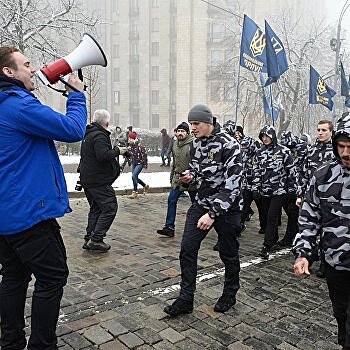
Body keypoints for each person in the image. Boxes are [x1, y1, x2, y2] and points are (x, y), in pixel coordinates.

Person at [0, 46, 86, 349]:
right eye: (26, 64)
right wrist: (76, 93)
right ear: (8, 72)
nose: (33, 69)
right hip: (29, 214)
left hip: (6, 215)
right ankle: (42, 345)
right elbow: (73, 129)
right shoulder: (17, 105)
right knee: (52, 277)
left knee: (14, 276)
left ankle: (10, 343)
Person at [163, 104, 243, 317]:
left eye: (196, 124)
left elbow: (232, 185)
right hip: (202, 204)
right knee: (187, 249)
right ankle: (186, 299)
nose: (193, 128)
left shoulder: (230, 145)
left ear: (209, 122)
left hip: (227, 209)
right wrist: (191, 176)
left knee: (228, 253)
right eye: (191, 124)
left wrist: (213, 214)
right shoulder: (196, 144)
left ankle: (229, 293)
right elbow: (200, 171)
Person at [292, 113, 350, 350]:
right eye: (342, 146)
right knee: (341, 314)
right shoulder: (323, 176)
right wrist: (304, 253)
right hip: (335, 264)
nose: (346, 153)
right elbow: (309, 218)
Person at [79, 109, 123, 252]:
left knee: (96, 208)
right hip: (98, 181)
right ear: (107, 123)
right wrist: (118, 151)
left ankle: (89, 238)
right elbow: (103, 155)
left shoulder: (89, 134)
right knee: (110, 208)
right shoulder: (99, 135)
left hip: (89, 180)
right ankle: (96, 239)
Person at [296, 119, 334, 277]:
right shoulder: (311, 150)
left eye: (324, 130)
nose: (320, 133)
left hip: (332, 196)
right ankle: (311, 255)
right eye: (318, 130)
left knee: (328, 231)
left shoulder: (336, 150)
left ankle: (326, 264)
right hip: (313, 197)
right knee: (309, 226)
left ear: (331, 132)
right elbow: (304, 173)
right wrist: (300, 194)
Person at [251, 125, 296, 259]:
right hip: (265, 191)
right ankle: (274, 237)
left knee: (272, 216)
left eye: (267, 136)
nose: (265, 139)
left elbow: (291, 172)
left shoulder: (284, 151)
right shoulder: (259, 152)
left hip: (279, 191)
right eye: (263, 136)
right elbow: (256, 171)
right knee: (267, 216)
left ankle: (267, 244)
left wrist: (291, 189)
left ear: (273, 136)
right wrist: (255, 188)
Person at [157, 122, 196, 238]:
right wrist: (172, 177)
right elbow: (174, 163)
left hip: (191, 180)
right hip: (177, 179)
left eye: (182, 131)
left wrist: (192, 175)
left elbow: (197, 163)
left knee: (197, 204)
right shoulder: (174, 144)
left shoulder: (193, 144)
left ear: (187, 133)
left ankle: (198, 228)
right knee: (171, 201)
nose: (180, 133)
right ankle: (169, 227)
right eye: (178, 131)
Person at [128, 131, 149, 199]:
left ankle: (135, 192)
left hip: (140, 163)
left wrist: (145, 164)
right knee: (134, 177)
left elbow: (144, 155)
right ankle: (145, 185)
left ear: (133, 139)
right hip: (134, 163)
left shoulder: (140, 146)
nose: (129, 140)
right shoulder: (130, 146)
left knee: (134, 176)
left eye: (130, 138)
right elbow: (130, 155)